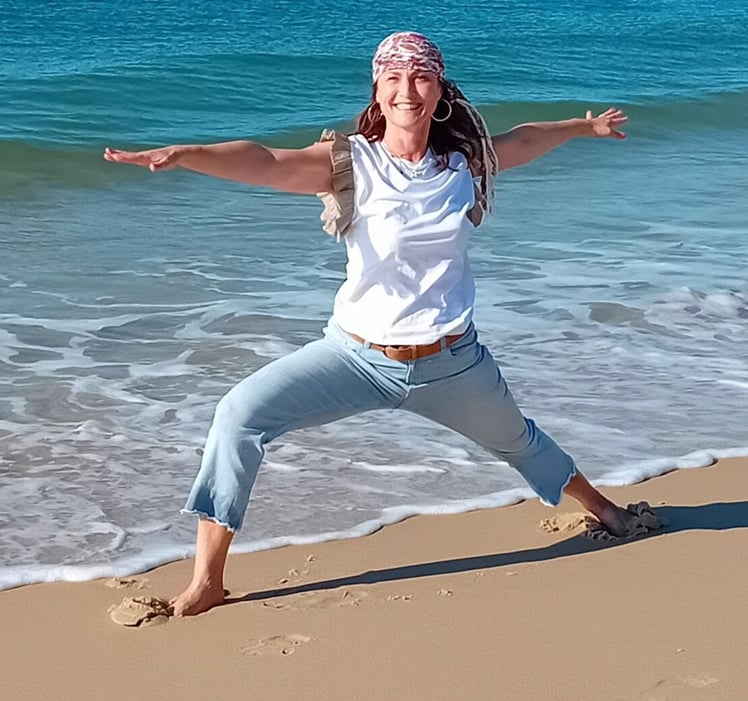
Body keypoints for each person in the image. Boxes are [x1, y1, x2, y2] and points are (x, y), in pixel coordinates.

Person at [105, 31, 645, 617]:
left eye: (420, 77)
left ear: (439, 91)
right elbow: (265, 160)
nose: (406, 89)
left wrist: (582, 127)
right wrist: (188, 153)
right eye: (393, 78)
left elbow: (526, 139)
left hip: (451, 364)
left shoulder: (464, 163)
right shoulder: (351, 162)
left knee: (519, 442)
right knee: (238, 415)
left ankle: (603, 508)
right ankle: (208, 579)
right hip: (354, 358)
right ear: (377, 89)